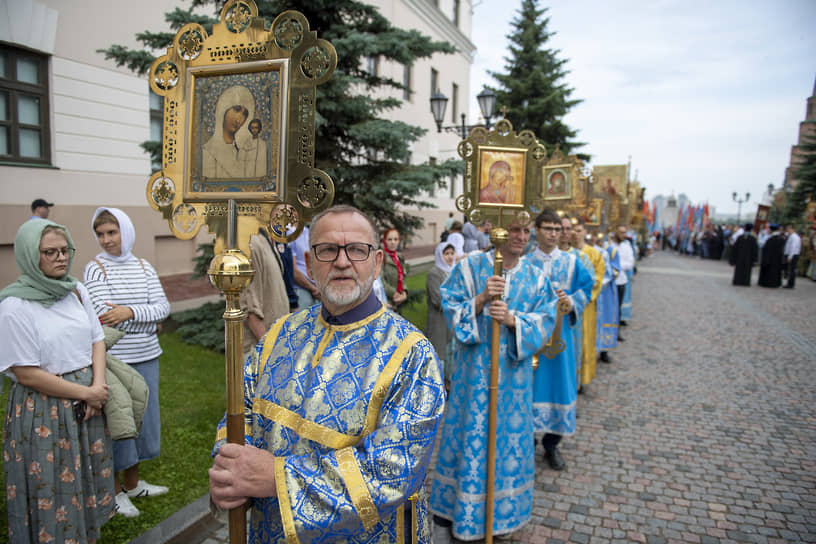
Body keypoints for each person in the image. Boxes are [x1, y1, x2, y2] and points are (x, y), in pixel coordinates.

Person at [208, 205, 445, 543]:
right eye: (328, 249)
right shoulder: (281, 333)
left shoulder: (412, 355)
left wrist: (278, 478)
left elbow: (392, 471)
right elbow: (240, 410)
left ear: (377, 263)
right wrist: (231, 466)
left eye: (357, 250)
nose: (343, 261)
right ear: (310, 260)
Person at [430, 216, 556, 541]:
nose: (521, 236)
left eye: (526, 231)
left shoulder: (536, 278)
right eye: (515, 229)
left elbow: (545, 321)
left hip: (513, 386)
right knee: (467, 443)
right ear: (498, 230)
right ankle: (459, 515)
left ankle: (499, 521)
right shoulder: (470, 267)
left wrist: (514, 320)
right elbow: (449, 305)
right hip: (472, 380)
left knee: (505, 448)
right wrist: (481, 299)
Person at [1, 218, 115, 543]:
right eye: (49, 252)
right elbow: (26, 373)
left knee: (84, 475)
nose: (61, 258)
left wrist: (98, 385)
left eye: (65, 250)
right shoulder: (14, 307)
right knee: (51, 484)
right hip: (45, 409)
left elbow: (97, 338)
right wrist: (88, 393)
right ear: (28, 255)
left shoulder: (76, 290)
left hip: (87, 399)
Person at [83, 207, 170, 518]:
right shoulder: (95, 269)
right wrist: (146, 319)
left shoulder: (145, 267)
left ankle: (133, 484)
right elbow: (104, 317)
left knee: (144, 422)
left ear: (126, 232)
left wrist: (131, 313)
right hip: (115, 361)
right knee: (118, 425)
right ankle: (114, 492)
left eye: (112, 232)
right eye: (101, 234)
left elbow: (162, 308)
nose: (106, 240)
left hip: (148, 357)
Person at [527, 209, 593, 472]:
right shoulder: (527, 262)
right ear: (537, 230)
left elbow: (586, 288)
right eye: (548, 228)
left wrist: (572, 300)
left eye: (557, 229)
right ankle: (527, 442)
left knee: (560, 387)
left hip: (561, 340)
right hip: (532, 339)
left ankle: (552, 445)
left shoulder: (572, 262)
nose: (554, 233)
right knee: (530, 388)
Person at [241, 227, 290, 357]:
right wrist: (270, 351)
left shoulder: (268, 240)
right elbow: (250, 307)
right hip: (259, 353)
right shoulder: (251, 243)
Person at [572, 219, 605, 391]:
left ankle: (582, 378)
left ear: (585, 232)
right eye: (573, 230)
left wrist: (584, 294)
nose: (575, 234)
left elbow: (598, 278)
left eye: (579, 230)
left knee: (585, 340)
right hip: (568, 305)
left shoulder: (593, 254)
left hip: (586, 306)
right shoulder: (566, 253)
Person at [202, 85, 253, 178]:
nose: (239, 119)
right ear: (223, 109)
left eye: (244, 114)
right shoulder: (208, 152)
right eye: (236, 110)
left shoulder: (244, 152)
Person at [425, 242, 455, 387]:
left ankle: (448, 383)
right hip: (439, 321)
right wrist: (456, 303)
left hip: (451, 321)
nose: (449, 257)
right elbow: (438, 299)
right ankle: (436, 385)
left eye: (451, 253)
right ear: (439, 255)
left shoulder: (453, 271)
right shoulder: (434, 273)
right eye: (446, 254)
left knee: (450, 353)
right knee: (439, 354)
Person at [595, 232, 620, 363]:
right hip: (592, 289)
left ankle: (604, 350)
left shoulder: (610, 251)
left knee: (605, 317)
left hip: (605, 291)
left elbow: (615, 269)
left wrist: (601, 281)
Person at [609, 224, 635, 330]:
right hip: (609, 280)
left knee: (619, 305)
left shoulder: (627, 246)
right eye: (621, 232)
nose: (623, 235)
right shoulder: (609, 245)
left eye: (625, 232)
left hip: (622, 280)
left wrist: (617, 266)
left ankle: (617, 330)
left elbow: (630, 263)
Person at [290, 225, 321, 308]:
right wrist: (313, 289)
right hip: (301, 291)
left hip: (317, 292)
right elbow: (293, 271)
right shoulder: (288, 233)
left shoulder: (309, 232)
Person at [381, 227, 408, 311]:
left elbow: (402, 278)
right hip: (386, 303)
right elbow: (381, 281)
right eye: (389, 239)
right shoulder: (381, 257)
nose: (393, 242)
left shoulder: (399, 257)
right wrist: (394, 294)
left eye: (395, 239)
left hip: (399, 303)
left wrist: (404, 293)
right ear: (384, 241)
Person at [758, 224, 785, 288]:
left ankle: (768, 283)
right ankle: (775, 283)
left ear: (771, 230)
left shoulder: (770, 239)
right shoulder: (780, 238)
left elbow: (767, 250)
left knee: (769, 272)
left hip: (770, 259)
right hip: (777, 259)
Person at [783, 224, 801, 289]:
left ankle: (791, 284)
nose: (788, 230)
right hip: (792, 254)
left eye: (789, 229)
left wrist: (790, 257)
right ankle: (789, 283)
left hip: (793, 255)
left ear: (792, 229)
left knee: (791, 270)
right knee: (790, 270)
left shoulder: (794, 237)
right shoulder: (791, 236)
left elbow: (793, 247)